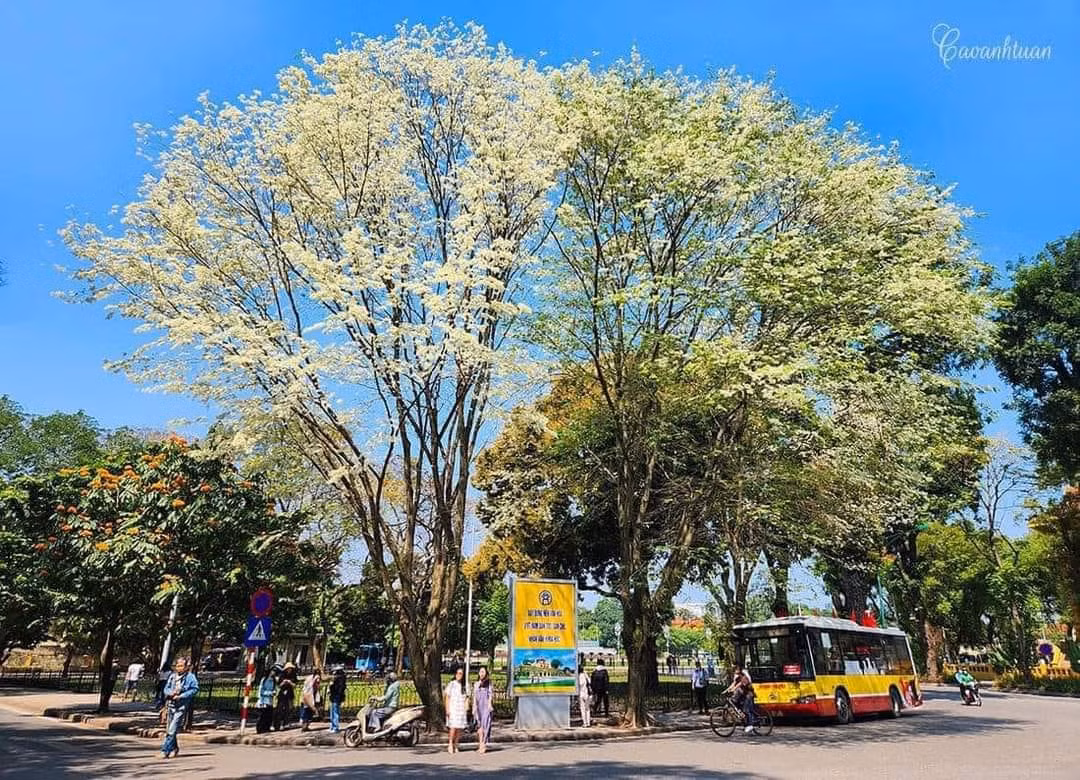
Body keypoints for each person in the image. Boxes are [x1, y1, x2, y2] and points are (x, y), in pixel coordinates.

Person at [160, 657, 198, 759]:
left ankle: (164, 751)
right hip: (171, 705)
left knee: (172, 729)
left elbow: (194, 689)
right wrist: (170, 693)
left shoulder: (190, 677)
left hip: (181, 706)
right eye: (177, 665)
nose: (179, 668)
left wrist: (181, 696)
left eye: (181, 666)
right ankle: (174, 748)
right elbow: (166, 688)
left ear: (186, 667)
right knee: (170, 729)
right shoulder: (172, 676)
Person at [723, 663, 756, 734]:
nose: (734, 670)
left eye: (735, 669)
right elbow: (733, 683)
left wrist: (733, 689)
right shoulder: (737, 677)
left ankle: (750, 725)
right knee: (738, 706)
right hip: (743, 695)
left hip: (748, 695)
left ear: (739, 669)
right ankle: (745, 724)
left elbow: (739, 684)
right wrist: (726, 690)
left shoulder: (744, 676)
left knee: (746, 710)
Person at [444, 667, 468, 754]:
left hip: (461, 709)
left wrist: (466, 708)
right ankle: (450, 743)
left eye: (461, 673)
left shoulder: (465, 686)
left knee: (459, 728)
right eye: (458, 673)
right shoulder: (452, 684)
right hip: (453, 708)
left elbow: (466, 698)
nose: (459, 675)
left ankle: (456, 744)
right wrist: (447, 709)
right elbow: (447, 697)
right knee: (453, 727)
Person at [472, 666, 494, 754]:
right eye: (480, 672)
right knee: (479, 726)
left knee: (485, 726)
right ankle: (480, 743)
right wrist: (474, 706)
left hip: (485, 706)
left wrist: (489, 704)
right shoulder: (476, 684)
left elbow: (490, 696)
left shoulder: (488, 684)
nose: (482, 673)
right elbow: (474, 696)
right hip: (478, 707)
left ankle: (484, 744)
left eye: (483, 672)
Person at [274, 661, 298, 730]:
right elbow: (279, 685)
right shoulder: (282, 675)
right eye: (288, 668)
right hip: (282, 694)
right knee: (279, 709)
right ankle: (277, 725)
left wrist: (290, 682)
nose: (289, 670)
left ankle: (286, 723)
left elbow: (295, 685)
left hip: (290, 693)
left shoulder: (293, 675)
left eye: (290, 668)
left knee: (288, 709)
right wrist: (283, 682)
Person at [256, 665, 278, 734]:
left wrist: (274, 692)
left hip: (270, 701)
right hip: (263, 700)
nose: (273, 673)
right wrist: (269, 693)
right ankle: (260, 729)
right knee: (262, 715)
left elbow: (275, 689)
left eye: (275, 671)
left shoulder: (274, 680)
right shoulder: (264, 679)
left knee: (269, 715)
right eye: (273, 671)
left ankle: (266, 728)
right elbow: (261, 691)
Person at [328, 666, 347, 733]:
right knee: (332, 711)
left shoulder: (339, 679)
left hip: (336, 696)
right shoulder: (339, 679)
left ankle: (335, 727)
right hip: (334, 696)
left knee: (335, 712)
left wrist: (331, 686)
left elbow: (337, 689)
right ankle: (332, 726)